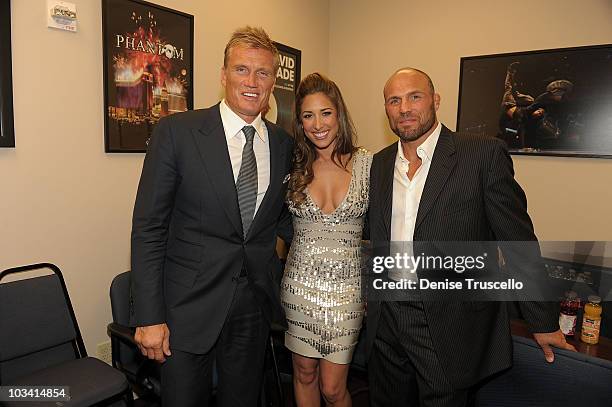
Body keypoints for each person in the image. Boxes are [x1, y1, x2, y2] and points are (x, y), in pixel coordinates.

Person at [366, 67, 575, 407]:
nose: (404, 108)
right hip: (386, 318)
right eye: (394, 100)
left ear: (435, 100)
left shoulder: (481, 154)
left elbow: (516, 238)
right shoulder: (378, 164)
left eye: (414, 96)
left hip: (450, 322)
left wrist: (543, 320)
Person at [130, 26, 293, 407]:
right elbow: (149, 228)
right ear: (223, 76)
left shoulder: (284, 144)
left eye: (263, 72)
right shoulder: (178, 132)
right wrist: (149, 316)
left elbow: (283, 220)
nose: (251, 82)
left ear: (273, 82)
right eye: (241, 70)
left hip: (252, 308)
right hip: (187, 309)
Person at [282, 72, 371, 407]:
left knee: (333, 388)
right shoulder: (292, 165)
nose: (317, 124)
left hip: (348, 293)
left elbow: (386, 229)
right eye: (308, 115)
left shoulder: (368, 164)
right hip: (299, 289)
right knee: (304, 374)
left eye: (325, 113)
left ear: (339, 115)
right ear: (301, 123)